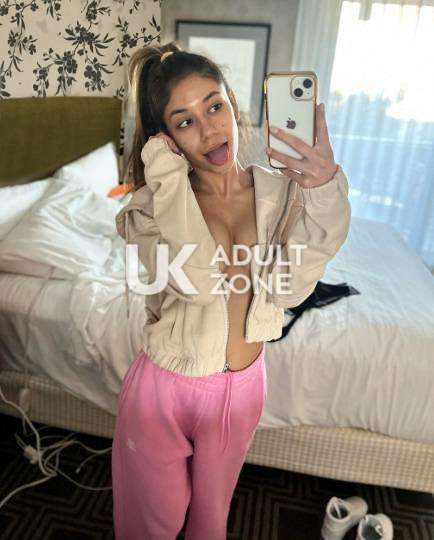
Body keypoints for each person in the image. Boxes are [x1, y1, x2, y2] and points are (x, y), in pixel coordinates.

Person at [111, 41, 351, 540]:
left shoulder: (280, 193)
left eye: (214, 106)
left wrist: (323, 185)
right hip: (164, 391)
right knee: (150, 525)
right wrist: (164, 173)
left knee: (211, 520)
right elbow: (198, 283)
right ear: (166, 141)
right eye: (184, 121)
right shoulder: (150, 210)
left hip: (244, 388)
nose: (208, 130)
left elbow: (291, 288)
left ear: (234, 105)